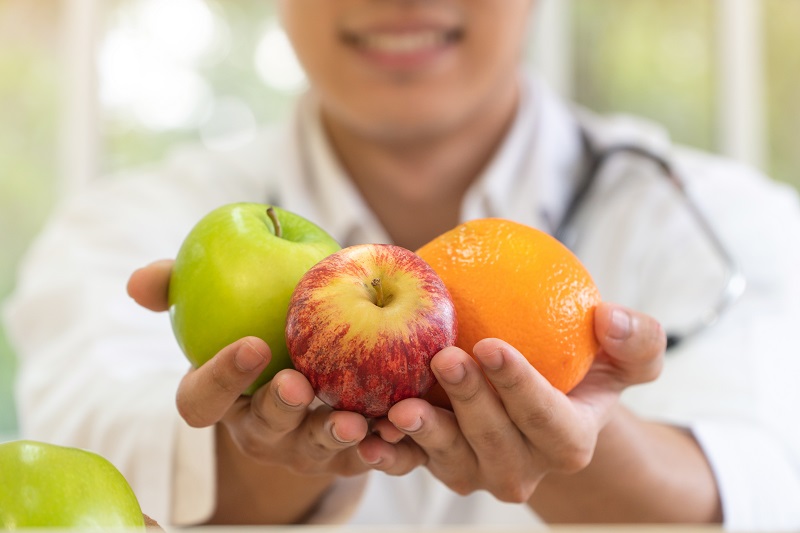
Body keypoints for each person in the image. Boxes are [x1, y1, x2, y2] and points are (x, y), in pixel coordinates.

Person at [4, 0, 800, 529]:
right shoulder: (120, 230)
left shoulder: (729, 221)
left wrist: (584, 447)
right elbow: (81, 476)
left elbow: (770, 475)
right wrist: (285, 452)